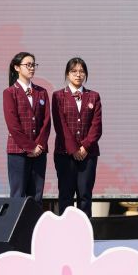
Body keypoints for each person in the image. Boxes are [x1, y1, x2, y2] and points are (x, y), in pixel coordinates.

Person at [52, 58, 102, 217]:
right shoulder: (58, 96)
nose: (78, 75)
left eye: (81, 71)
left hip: (88, 154)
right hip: (65, 154)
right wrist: (73, 149)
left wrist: (85, 147)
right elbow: (60, 125)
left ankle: (84, 229)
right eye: (74, 71)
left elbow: (96, 126)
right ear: (67, 74)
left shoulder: (94, 96)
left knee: (85, 195)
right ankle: (65, 229)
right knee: (66, 195)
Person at [3, 52, 51, 204]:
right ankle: (17, 221)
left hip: (39, 152)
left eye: (33, 65)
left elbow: (46, 121)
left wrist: (39, 145)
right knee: (17, 195)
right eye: (28, 65)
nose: (32, 68)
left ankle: (35, 221)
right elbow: (13, 125)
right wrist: (30, 147)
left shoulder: (41, 92)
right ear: (17, 67)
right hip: (18, 151)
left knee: (36, 196)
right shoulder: (10, 92)